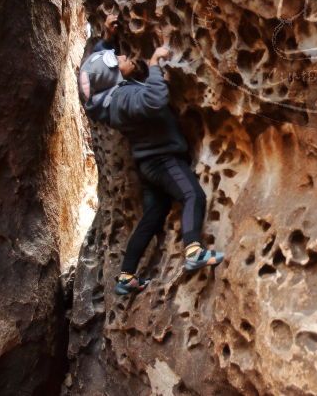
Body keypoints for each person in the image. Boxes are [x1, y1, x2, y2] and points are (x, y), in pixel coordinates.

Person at [79, 33, 223, 295]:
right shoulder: (124, 99)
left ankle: (126, 276)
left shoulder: (110, 100)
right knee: (193, 195)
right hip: (163, 160)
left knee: (153, 216)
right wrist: (155, 65)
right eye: (117, 59)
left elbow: (96, 68)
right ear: (112, 75)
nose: (124, 56)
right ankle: (193, 250)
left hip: (148, 165)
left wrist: (109, 38)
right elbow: (155, 101)